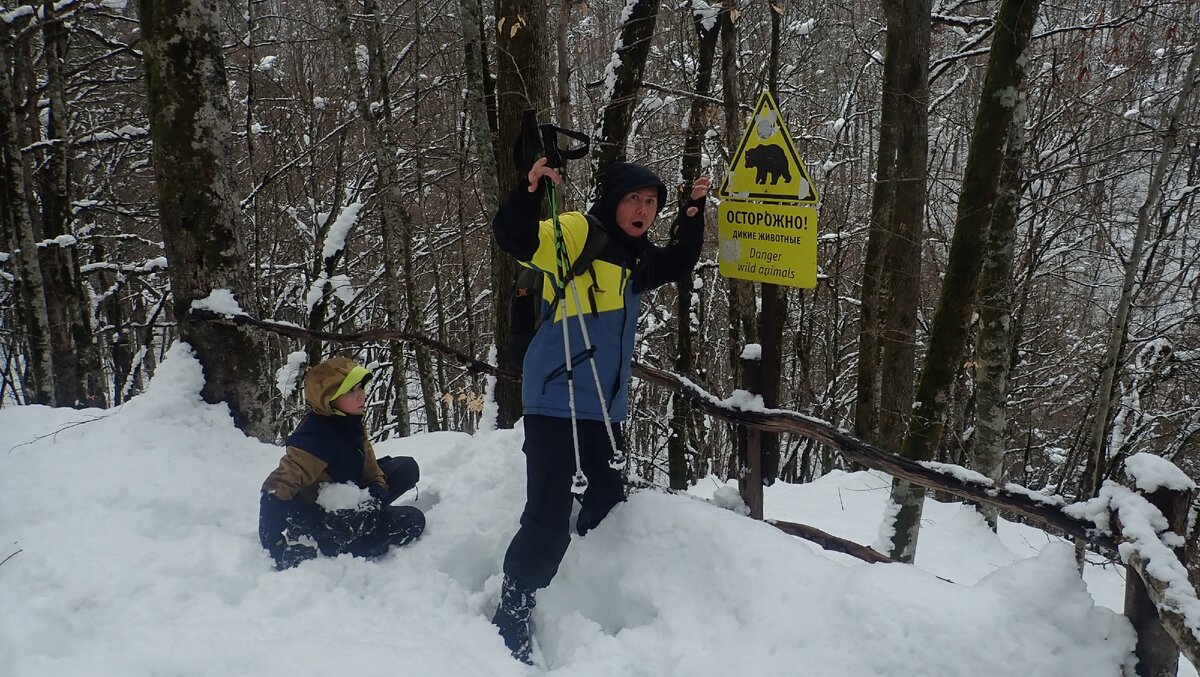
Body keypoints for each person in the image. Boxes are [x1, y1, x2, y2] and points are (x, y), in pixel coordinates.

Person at [490, 157, 710, 662]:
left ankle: (584, 579)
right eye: (635, 199)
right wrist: (529, 191)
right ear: (613, 201)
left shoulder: (634, 259)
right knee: (546, 516)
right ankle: (513, 609)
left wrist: (693, 213)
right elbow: (516, 238)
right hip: (554, 400)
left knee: (607, 500)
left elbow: (678, 263)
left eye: (652, 202)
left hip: (604, 410)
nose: (644, 210)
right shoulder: (576, 232)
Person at [258, 356, 425, 570]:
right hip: (327, 520)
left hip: (350, 492)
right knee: (413, 521)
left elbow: (372, 470)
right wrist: (276, 549)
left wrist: (374, 498)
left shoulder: (350, 421)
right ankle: (340, 545)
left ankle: (368, 520)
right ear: (329, 399)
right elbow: (274, 490)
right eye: (350, 391)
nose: (361, 396)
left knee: (406, 468)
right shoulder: (315, 439)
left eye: (360, 388)